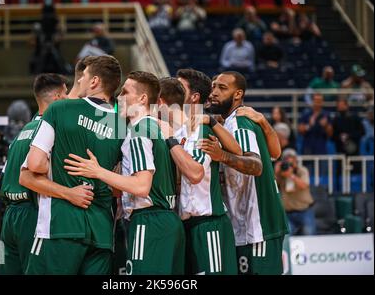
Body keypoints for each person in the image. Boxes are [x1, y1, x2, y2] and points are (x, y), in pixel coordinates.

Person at [65, 71, 186, 275]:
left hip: (149, 221)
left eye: (125, 92)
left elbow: (141, 186)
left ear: (142, 98)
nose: (119, 97)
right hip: (168, 221)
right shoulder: (157, 128)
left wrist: (98, 171)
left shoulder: (139, 131)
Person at [19, 55, 124, 275]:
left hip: (60, 226)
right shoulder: (121, 125)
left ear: (94, 81)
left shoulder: (60, 109)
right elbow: (118, 185)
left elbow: (34, 164)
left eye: (83, 76)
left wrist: (63, 181)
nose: (80, 81)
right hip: (102, 231)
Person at [198, 71, 289, 275]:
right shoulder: (228, 123)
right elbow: (275, 153)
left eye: (222, 88)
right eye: (213, 86)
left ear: (238, 94)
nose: (213, 92)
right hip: (246, 224)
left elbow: (256, 166)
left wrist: (221, 155)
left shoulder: (239, 122)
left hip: (259, 225)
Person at [159, 71, 241, 275]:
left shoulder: (202, 128)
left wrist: (212, 122)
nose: (174, 91)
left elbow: (237, 151)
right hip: (185, 223)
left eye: (180, 87)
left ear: (194, 97)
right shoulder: (176, 131)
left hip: (208, 222)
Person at [0, 74, 69, 275]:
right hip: (32, 212)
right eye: (66, 94)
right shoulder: (51, 130)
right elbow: (36, 167)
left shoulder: (23, 130)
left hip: (9, 215)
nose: (68, 100)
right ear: (57, 96)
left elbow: (1, 180)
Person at [275, 149, 316, 236]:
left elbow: (304, 185)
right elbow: (274, 186)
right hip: (287, 213)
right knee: (286, 236)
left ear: (296, 160)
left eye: (291, 159)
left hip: (304, 211)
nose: (289, 162)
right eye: (286, 159)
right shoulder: (281, 172)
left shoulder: (302, 170)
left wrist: (291, 175)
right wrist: (276, 172)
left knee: (309, 234)